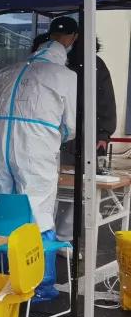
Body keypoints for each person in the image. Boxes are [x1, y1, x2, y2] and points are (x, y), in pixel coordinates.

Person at [0, 17, 77, 300]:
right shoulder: (65, 77)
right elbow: (71, 124)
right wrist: (51, 136)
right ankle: (37, 284)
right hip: (35, 148)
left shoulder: (6, 72)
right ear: (72, 40)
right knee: (37, 212)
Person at [54, 24, 117, 242]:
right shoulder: (63, 64)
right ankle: (61, 234)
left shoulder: (93, 65)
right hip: (69, 133)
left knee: (72, 186)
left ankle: (63, 235)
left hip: (79, 134)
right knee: (67, 186)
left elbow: (106, 101)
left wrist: (103, 134)